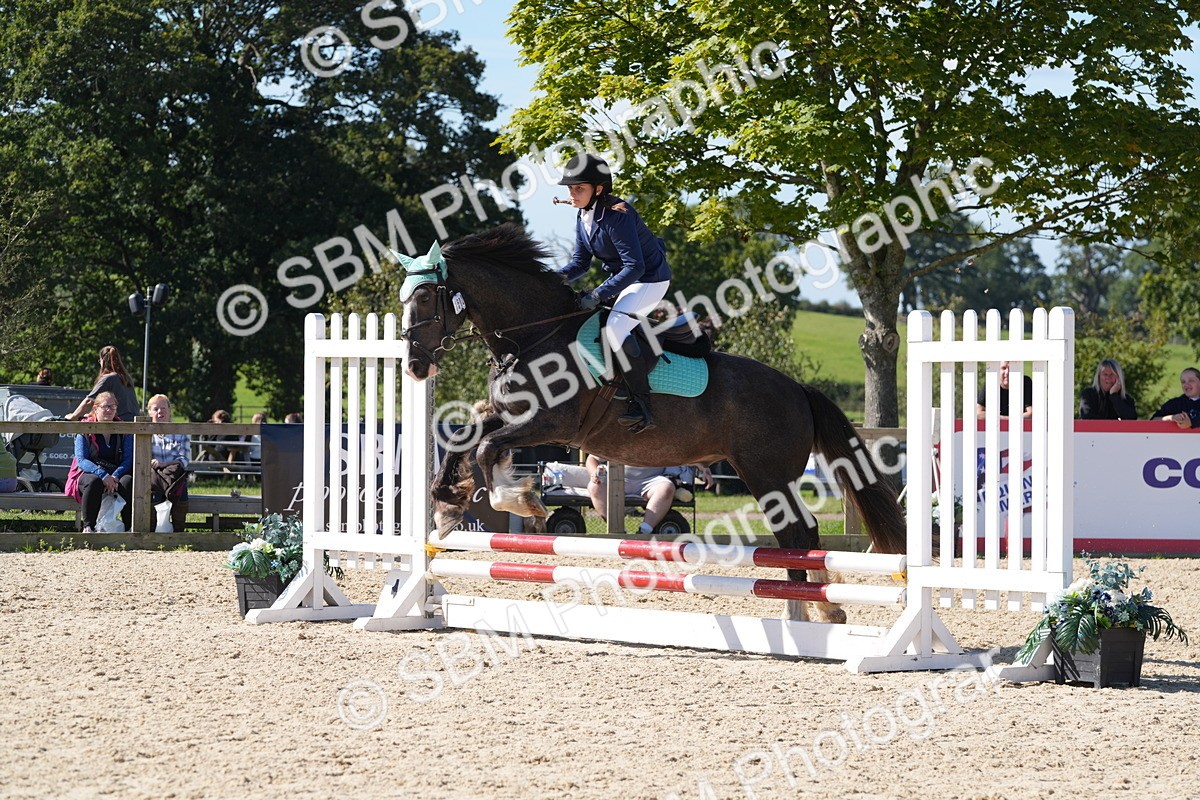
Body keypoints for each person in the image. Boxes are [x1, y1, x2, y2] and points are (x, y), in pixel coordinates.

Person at [555, 154, 671, 434]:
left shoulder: (617, 215)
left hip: (649, 280)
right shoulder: (583, 215)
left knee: (614, 330)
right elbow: (580, 263)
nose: (572, 194)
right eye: (570, 189)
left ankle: (643, 406)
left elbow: (635, 266)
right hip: (624, 279)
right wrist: (551, 279)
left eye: (579, 188)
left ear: (598, 189)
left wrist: (597, 294)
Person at [585, 455, 712, 535]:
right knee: (594, 486)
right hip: (616, 478)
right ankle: (618, 532)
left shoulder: (661, 431)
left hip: (651, 480)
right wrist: (594, 472)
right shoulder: (614, 430)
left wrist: (704, 468)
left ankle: (644, 532)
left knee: (667, 487)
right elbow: (592, 458)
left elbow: (684, 455)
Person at [63, 391, 133, 532]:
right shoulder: (84, 428)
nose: (109, 410)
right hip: (88, 471)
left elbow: (128, 459)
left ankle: (129, 527)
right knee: (94, 482)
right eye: (105, 406)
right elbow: (81, 460)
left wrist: (115, 476)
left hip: (114, 471)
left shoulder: (124, 429)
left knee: (128, 481)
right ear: (95, 409)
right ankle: (88, 526)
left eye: (112, 407)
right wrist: (103, 475)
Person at [147, 394, 190, 531]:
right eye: (156, 409)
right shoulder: (145, 433)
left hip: (174, 477)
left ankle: (178, 533)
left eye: (164, 408)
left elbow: (184, 460)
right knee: (153, 491)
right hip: (154, 478)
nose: (160, 412)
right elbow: (142, 460)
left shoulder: (181, 432)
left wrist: (161, 465)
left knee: (181, 490)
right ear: (149, 412)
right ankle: (152, 531)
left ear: (170, 410)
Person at [65, 345, 139, 421]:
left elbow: (89, 401)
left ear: (103, 361)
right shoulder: (127, 378)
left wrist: (73, 417)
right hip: (134, 422)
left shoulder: (108, 378)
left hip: (120, 423)